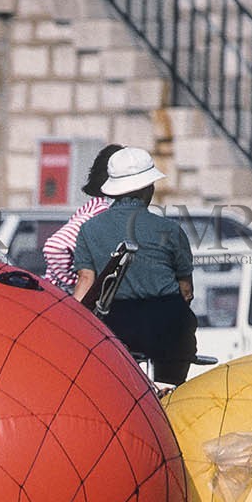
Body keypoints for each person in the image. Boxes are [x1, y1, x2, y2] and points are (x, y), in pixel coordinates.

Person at [71, 147, 197, 385]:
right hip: (168, 324)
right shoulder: (170, 230)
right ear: (148, 188)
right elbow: (186, 291)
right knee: (172, 383)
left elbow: (85, 283)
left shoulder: (89, 229)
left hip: (117, 327)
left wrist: (69, 321)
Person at [41, 143, 121, 293]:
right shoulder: (100, 212)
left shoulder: (94, 207)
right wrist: (75, 283)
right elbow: (55, 247)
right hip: (64, 298)